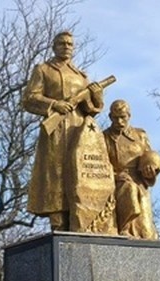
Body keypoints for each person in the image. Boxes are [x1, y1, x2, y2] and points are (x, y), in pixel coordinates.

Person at [22, 31, 105, 231]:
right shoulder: (43, 70)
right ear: (54, 46)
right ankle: (58, 222)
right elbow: (29, 99)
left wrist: (97, 97)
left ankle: (79, 219)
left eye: (69, 44)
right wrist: (54, 105)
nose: (66, 46)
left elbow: (90, 109)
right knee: (56, 173)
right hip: (56, 129)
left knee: (79, 173)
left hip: (78, 129)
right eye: (62, 43)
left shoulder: (81, 76)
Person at [103, 99, 160, 239]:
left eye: (122, 117)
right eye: (115, 118)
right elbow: (99, 164)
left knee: (146, 234)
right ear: (110, 117)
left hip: (140, 182)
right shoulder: (104, 137)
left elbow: (149, 156)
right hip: (117, 183)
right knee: (129, 190)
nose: (119, 121)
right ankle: (123, 230)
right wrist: (115, 175)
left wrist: (151, 171)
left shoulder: (140, 135)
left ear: (129, 116)